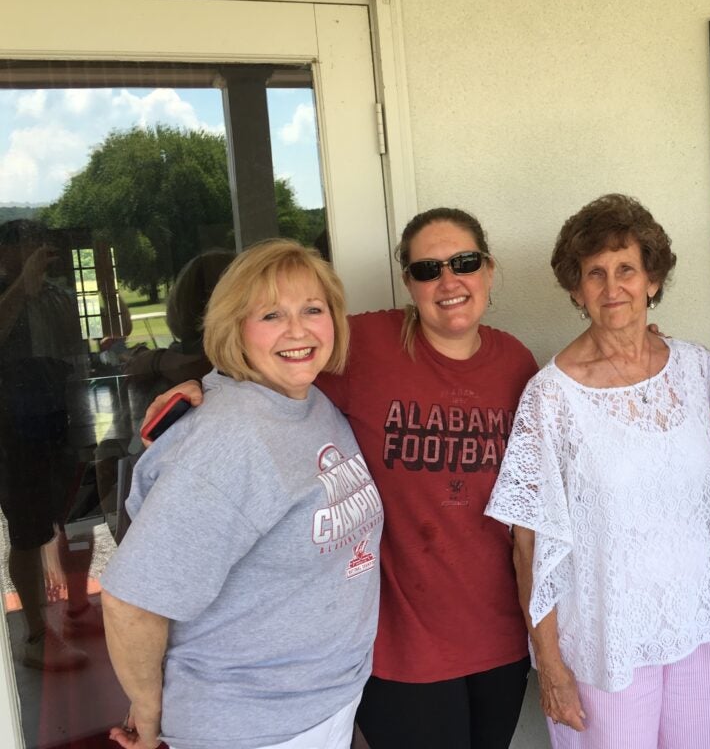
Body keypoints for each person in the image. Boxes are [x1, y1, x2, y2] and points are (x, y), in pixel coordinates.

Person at [143, 210, 538, 749]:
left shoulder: (516, 363)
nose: (449, 281)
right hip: (402, 647)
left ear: (488, 270)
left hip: (501, 634)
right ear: (409, 284)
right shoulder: (368, 345)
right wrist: (201, 388)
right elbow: (273, 362)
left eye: (465, 263)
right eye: (428, 270)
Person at [485, 193, 710, 749]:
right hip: (606, 640)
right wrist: (551, 664)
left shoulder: (695, 369)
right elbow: (527, 543)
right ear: (575, 289)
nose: (612, 288)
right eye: (595, 273)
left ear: (652, 280)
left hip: (702, 628)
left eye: (626, 269)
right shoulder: (551, 397)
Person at [101, 239, 383, 749]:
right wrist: (148, 709)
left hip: (319, 703)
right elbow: (132, 602)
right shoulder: (229, 439)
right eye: (271, 315)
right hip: (252, 725)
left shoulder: (307, 401)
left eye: (312, 310)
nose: (298, 330)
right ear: (235, 328)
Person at [0, 219, 98, 671]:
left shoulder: (56, 293)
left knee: (68, 518)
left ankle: (73, 609)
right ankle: (37, 636)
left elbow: (74, 348)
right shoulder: (12, 291)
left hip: (60, 416)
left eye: (43, 242)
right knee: (27, 530)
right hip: (11, 429)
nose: (40, 249)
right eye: (28, 243)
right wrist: (22, 285)